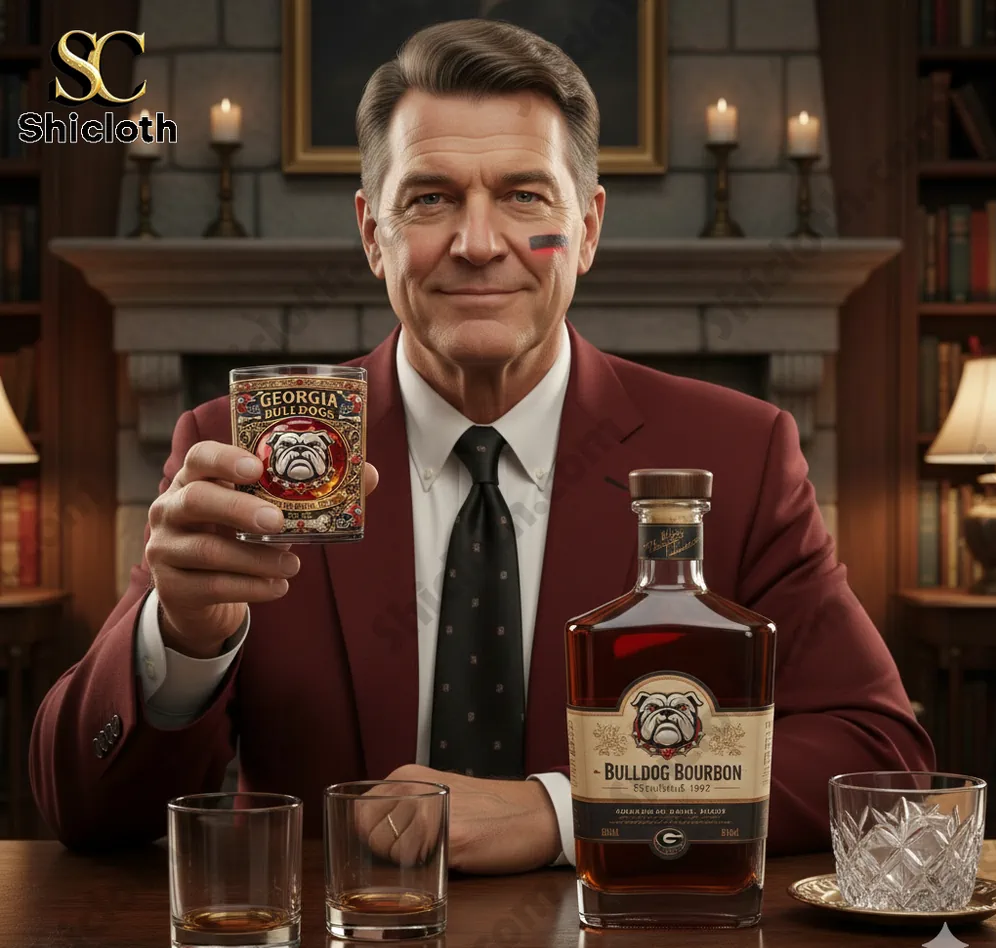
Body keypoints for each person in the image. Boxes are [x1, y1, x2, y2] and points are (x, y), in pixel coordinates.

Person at [29, 19, 933, 868]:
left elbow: (880, 763)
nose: (475, 242)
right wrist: (180, 639)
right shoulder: (242, 448)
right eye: (428, 200)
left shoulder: (736, 454)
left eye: (523, 197)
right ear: (371, 235)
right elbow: (85, 812)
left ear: (585, 230)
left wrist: (565, 811)